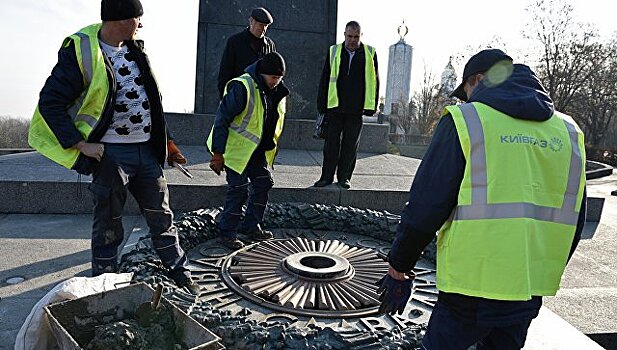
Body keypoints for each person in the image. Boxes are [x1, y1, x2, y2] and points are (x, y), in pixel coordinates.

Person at [377, 49, 587, 349]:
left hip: (469, 289)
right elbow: (576, 219)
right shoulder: (568, 131)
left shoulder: (467, 121)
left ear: (476, 80)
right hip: (526, 288)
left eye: (465, 93)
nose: (466, 101)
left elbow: (426, 206)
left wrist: (399, 266)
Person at [28, 0, 198, 293]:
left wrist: (168, 144)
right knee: (109, 223)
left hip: (146, 152)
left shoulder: (136, 50)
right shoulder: (82, 51)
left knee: (162, 216)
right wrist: (80, 144)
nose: (140, 25)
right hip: (110, 155)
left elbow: (151, 104)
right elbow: (50, 102)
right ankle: (103, 285)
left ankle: (179, 270)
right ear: (121, 20)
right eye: (137, 19)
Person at [207, 52, 289, 250]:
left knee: (263, 183)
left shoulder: (278, 90)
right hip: (234, 151)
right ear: (263, 73)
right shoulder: (242, 86)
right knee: (238, 190)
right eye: (273, 78)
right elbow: (222, 119)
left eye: (279, 78)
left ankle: (250, 226)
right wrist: (218, 154)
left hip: (256, 152)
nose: (276, 82)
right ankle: (227, 234)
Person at [314, 20, 379, 189]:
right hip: (334, 107)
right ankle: (326, 177)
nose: (352, 40)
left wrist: (371, 107)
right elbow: (325, 79)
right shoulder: (334, 51)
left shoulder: (370, 53)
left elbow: (374, 81)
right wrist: (322, 105)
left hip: (356, 109)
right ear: (344, 34)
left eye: (356, 36)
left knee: (350, 146)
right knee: (331, 145)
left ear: (361, 36)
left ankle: (344, 178)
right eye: (349, 36)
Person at [217, 7, 277, 99]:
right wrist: (226, 101)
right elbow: (224, 74)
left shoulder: (270, 45)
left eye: (266, 26)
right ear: (251, 21)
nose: (263, 29)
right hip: (239, 98)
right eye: (261, 25)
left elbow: (274, 74)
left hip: (261, 101)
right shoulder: (235, 42)